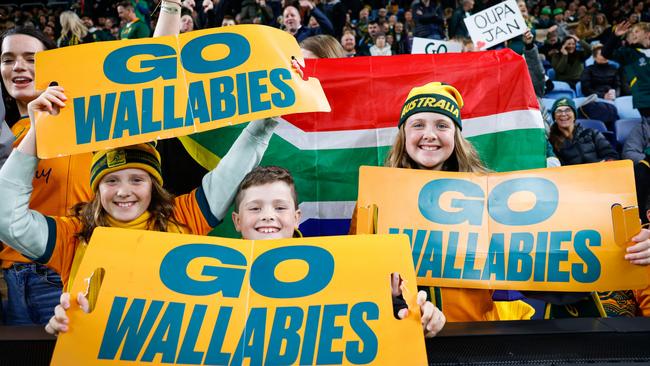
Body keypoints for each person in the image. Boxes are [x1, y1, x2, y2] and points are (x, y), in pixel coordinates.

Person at [0, 82, 278, 334]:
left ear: (154, 185)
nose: (123, 191)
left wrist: (262, 126)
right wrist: (39, 132)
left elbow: (229, 172)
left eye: (137, 179)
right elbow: (7, 219)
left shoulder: (182, 217)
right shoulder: (73, 234)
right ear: (96, 188)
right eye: (111, 181)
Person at [0, 26, 93, 325]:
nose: (18, 67)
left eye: (31, 58)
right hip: (8, 284)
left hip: (62, 279)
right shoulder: (7, 134)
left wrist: (169, 7)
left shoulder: (86, 120)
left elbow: (156, 83)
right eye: (7, 59)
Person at [548, 98, 618, 165]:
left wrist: (605, 163)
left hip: (599, 173)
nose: (563, 114)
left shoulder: (591, 133)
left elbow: (611, 155)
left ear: (574, 116)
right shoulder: (552, 142)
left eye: (568, 110)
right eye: (559, 111)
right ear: (554, 118)